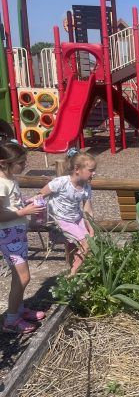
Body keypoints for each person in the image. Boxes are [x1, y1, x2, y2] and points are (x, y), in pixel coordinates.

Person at [0, 142, 46, 333]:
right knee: (23, 278)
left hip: (16, 235)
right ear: (4, 163)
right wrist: (24, 212)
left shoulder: (10, 179)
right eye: (20, 162)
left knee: (20, 277)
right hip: (9, 236)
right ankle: (10, 320)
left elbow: (11, 205)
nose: (24, 165)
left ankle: (18, 310)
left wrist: (25, 202)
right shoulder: (1, 184)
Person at [38, 148, 96, 276]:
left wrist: (91, 227)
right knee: (86, 244)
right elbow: (41, 194)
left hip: (76, 218)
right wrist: (35, 208)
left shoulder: (86, 187)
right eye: (91, 170)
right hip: (61, 218)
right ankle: (73, 273)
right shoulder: (62, 182)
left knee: (73, 247)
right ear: (77, 169)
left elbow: (87, 209)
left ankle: (73, 270)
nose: (94, 173)